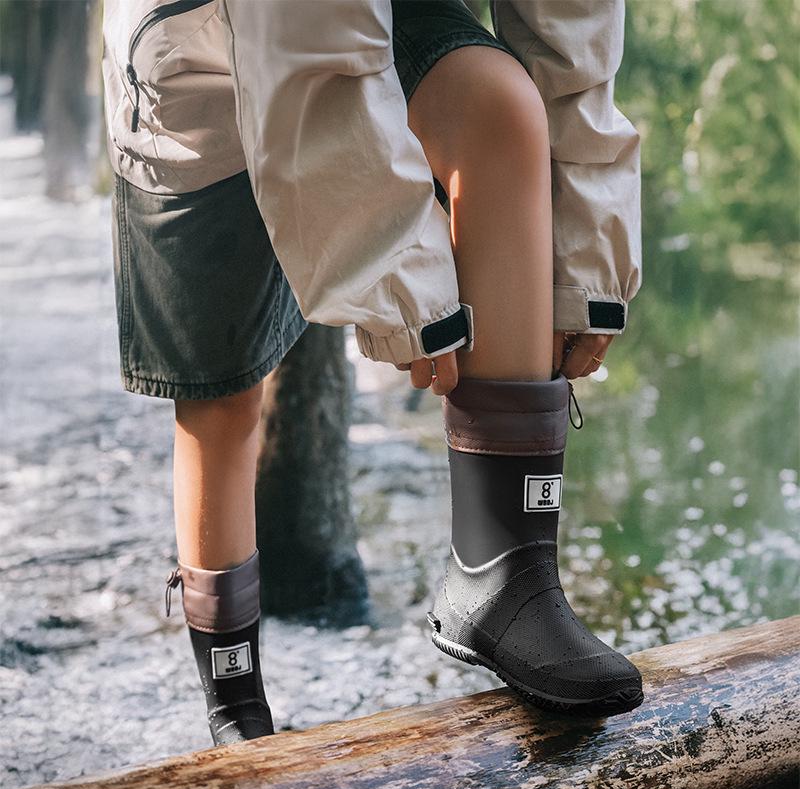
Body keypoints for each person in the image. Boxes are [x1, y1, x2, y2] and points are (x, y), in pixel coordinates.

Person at [100, 0, 642, 745]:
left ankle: (505, 578)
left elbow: (570, 26)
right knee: (222, 402)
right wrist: (404, 291)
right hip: (185, 55)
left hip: (380, 16)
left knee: (499, 108)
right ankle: (235, 704)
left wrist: (582, 255)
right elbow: (308, 40)